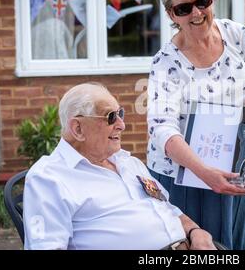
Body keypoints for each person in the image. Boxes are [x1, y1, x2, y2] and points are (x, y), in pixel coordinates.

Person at [146, 0, 245, 250]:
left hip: (238, 168)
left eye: (202, 2)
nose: (196, 13)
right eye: (184, 8)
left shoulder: (236, 34)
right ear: (172, 14)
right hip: (186, 179)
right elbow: (162, 131)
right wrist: (205, 173)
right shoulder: (165, 62)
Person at [23, 82, 216, 250]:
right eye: (111, 117)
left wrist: (194, 231)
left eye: (120, 113)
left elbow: (166, 207)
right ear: (78, 128)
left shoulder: (128, 162)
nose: (122, 125)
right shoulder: (49, 178)